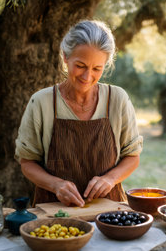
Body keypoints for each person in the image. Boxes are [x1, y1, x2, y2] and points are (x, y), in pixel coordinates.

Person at [15, 20, 142, 207]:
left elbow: (132, 156)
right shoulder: (41, 102)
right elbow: (27, 162)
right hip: (55, 213)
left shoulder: (118, 99)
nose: (87, 76)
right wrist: (56, 185)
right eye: (81, 65)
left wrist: (110, 179)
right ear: (65, 57)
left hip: (108, 213)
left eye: (97, 69)